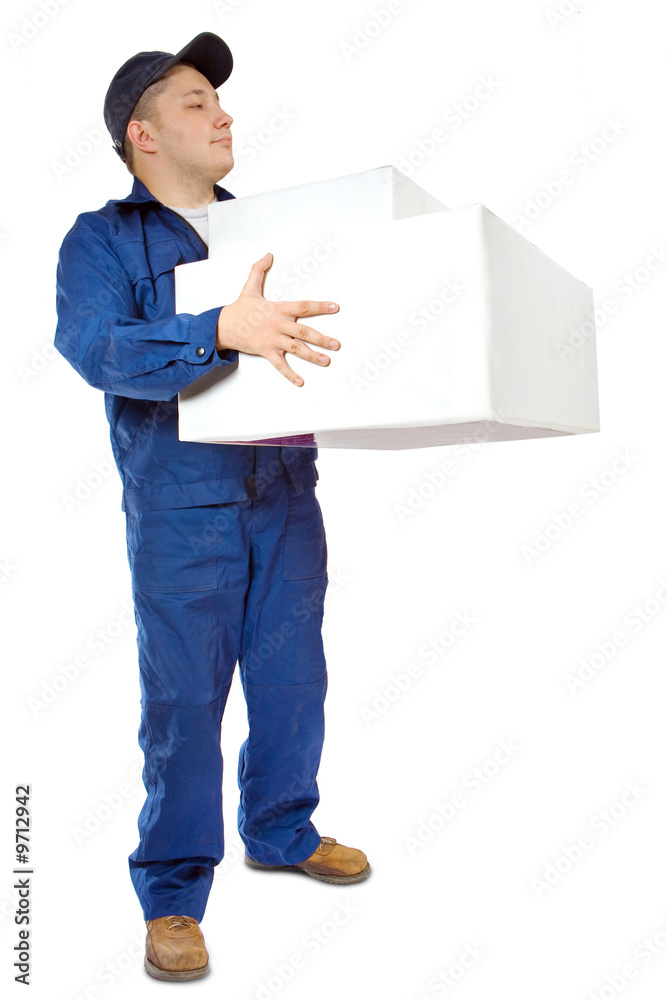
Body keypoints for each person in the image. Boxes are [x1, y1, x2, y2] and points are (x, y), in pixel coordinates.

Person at [54, 30, 370, 983]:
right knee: (186, 703)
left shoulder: (274, 231)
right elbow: (96, 349)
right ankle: (174, 890)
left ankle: (280, 829)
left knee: (292, 681)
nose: (222, 113)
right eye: (194, 102)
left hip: (285, 491)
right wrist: (215, 330)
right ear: (141, 135)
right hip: (182, 511)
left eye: (219, 100)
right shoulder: (102, 238)